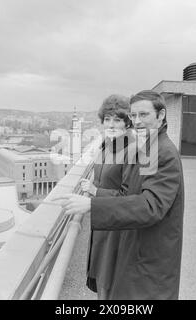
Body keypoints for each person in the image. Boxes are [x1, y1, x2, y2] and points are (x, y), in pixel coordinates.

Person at [52, 90, 185, 300]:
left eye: (144, 115)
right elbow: (132, 192)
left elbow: (151, 205)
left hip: (148, 255)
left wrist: (92, 203)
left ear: (160, 116)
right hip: (135, 245)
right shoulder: (148, 147)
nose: (138, 121)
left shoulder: (162, 152)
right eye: (134, 115)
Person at [82, 94, 131, 299]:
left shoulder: (131, 149)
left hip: (116, 226)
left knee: (111, 280)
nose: (111, 124)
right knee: (102, 277)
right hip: (102, 219)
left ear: (127, 122)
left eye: (117, 119)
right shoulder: (106, 146)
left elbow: (130, 195)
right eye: (108, 119)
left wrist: (95, 191)